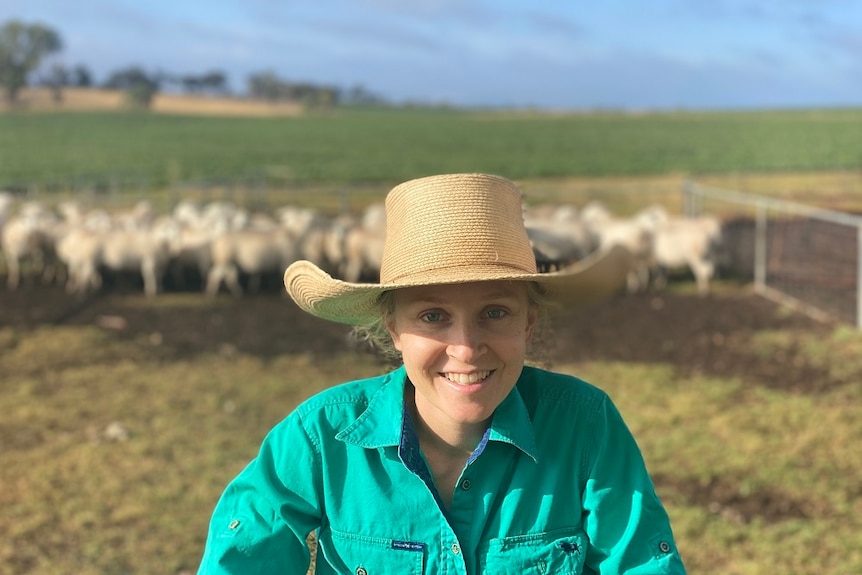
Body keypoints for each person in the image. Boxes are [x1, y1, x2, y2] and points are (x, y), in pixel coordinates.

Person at [197, 173, 687, 574]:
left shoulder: (586, 427)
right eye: (432, 316)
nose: (467, 348)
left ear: (528, 323)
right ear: (394, 330)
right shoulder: (320, 438)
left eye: (495, 312)